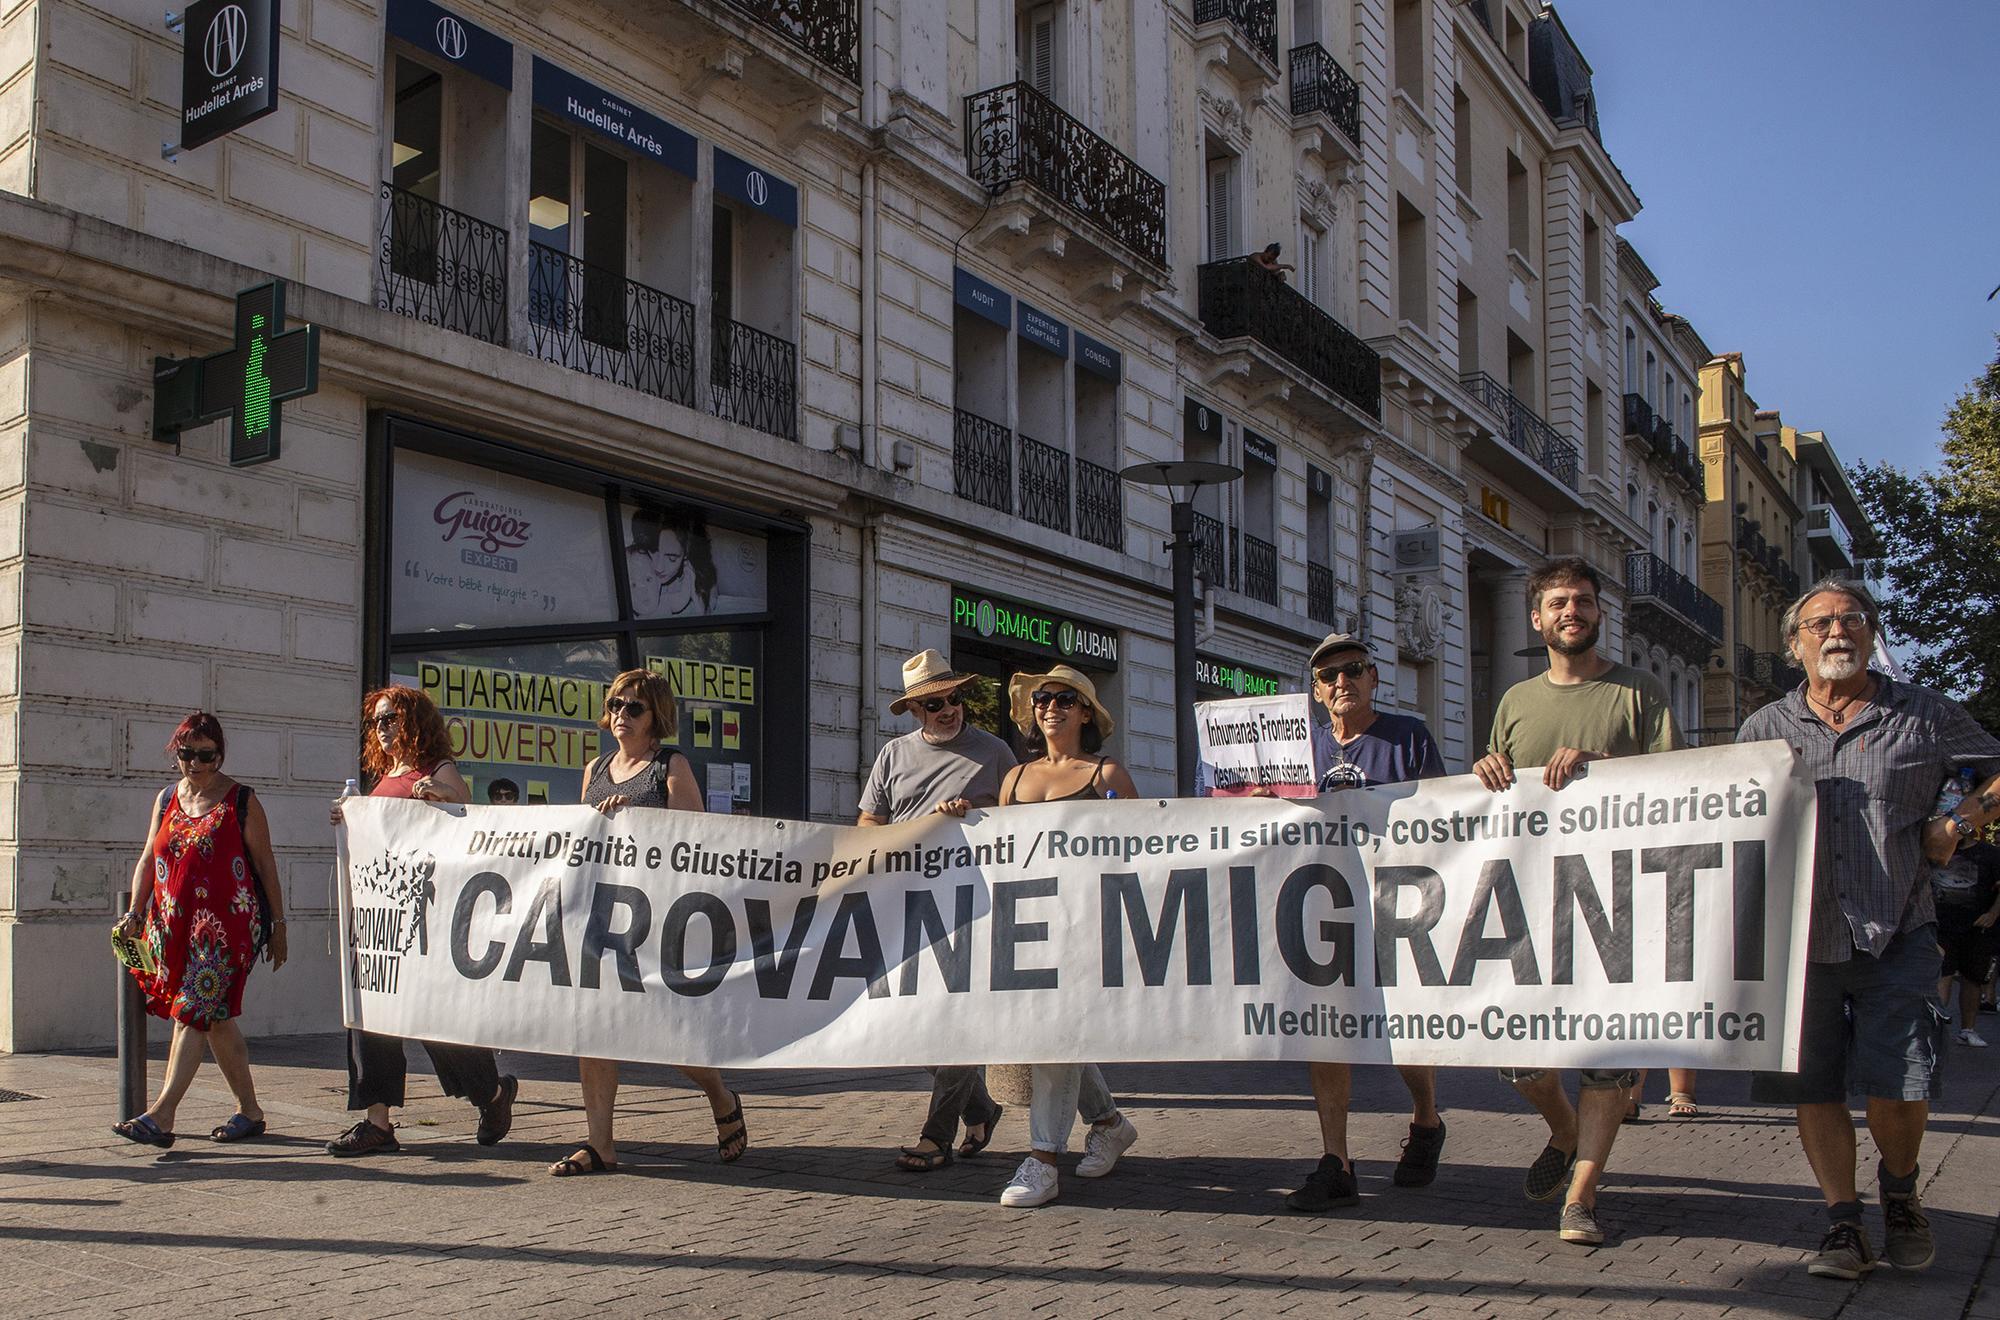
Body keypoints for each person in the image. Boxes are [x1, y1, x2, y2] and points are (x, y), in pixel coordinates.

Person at [1740, 578, 2000, 1279]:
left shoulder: (1925, 715)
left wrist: (1963, 823)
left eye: (1852, 619)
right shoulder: (1762, 729)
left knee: (1902, 1086)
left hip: (1899, 931)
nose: (1837, 632)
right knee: (1814, 1087)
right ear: (1794, 645)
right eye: (1820, 623)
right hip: (1798, 943)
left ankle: (1901, 1190)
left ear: (1870, 633)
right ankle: (1844, 1223)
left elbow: (1997, 772)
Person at [1471, 556, 1682, 1248]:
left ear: (1599, 614)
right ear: (1537, 619)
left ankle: (1582, 1197)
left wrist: (1603, 767)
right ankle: (1563, 1131)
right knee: (1516, 1051)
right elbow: (1495, 801)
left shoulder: (1639, 693)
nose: (1572, 612)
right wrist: (1484, 770)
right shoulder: (1515, 701)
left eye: (1584, 602)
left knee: (1608, 1059)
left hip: (1619, 903)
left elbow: (1679, 788)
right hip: (1531, 908)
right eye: (1559, 603)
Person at [551, 668, 748, 1175]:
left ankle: (721, 1096)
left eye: (633, 707)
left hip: (655, 919)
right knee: (592, 1029)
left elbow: (697, 842)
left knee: (666, 1030)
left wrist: (639, 822)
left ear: (655, 714)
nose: (621, 715)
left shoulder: (669, 765)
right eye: (616, 704)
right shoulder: (595, 768)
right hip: (601, 918)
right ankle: (601, 1144)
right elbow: (582, 842)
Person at [1284, 633, 1449, 1212]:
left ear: (1374, 677)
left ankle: (1426, 1118)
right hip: (1325, 905)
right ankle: (1337, 1162)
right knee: (1325, 1026)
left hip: (1397, 902)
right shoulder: (1301, 750)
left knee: (1405, 1025)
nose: (1340, 682)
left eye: (1352, 670)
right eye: (1328, 676)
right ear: (1315, 690)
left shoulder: (1407, 737)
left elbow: (1441, 815)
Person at [326, 686, 518, 1157]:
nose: (383, 728)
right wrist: (346, 819)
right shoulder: (382, 776)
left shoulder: (437, 768)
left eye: (391, 718)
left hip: (425, 916)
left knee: (436, 1020)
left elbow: (467, 813)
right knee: (371, 1017)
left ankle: (491, 1094)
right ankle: (378, 1122)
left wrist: (440, 795)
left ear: (414, 721)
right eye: (377, 721)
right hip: (382, 919)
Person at [859, 650, 1017, 1171]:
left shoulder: (995, 753)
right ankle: (981, 1107)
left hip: (971, 905)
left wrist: (974, 817)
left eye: (953, 698)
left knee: (954, 1020)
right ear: (915, 712)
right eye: (933, 705)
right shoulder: (892, 756)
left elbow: (1024, 826)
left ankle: (936, 1137)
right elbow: (867, 828)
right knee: (906, 1028)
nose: (948, 710)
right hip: (906, 902)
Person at [993, 665, 1143, 1208]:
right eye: (1041, 699)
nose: (1049, 706)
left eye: (1063, 698)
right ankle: (1109, 1123)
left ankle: (1043, 1159)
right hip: (1028, 926)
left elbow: (1143, 854)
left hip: (1084, 929)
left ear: (1085, 712)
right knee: (1054, 1036)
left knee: (1055, 1036)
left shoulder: (1107, 776)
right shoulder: (1013, 781)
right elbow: (996, 856)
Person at [111, 713, 287, 1148]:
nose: (196, 763)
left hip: (226, 929)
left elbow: (265, 866)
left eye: (206, 755)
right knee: (215, 1021)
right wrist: (136, 910)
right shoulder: (166, 798)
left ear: (219, 755)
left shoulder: (241, 799)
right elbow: (149, 860)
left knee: (192, 1011)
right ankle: (250, 1111)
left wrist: (280, 926)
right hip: (173, 926)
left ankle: (161, 1115)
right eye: (187, 754)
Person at [1934, 838, 1999, 1048]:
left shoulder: (1990, 853)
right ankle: (1936, 1030)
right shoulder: (1935, 847)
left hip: (1978, 928)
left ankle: (1967, 1030)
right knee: (1942, 975)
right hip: (1941, 925)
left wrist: (1993, 913)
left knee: (1973, 979)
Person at [628, 507, 716, 618]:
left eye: (672, 559)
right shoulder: (635, 557)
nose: (659, 567)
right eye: (654, 552)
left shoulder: (693, 575)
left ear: (686, 556)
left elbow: (706, 616)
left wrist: (694, 587)